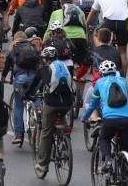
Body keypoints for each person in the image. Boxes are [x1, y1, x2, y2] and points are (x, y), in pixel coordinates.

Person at [24, 47, 74, 176]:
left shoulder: (43, 69)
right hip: (68, 103)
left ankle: (43, 164)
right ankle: (64, 144)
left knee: (46, 131)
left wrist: (26, 95)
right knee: (62, 121)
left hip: (52, 103)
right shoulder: (64, 67)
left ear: (45, 59)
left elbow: (33, 85)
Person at [81, 60, 128, 174]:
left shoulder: (99, 83)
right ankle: (127, 173)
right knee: (126, 147)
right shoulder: (123, 81)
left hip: (110, 119)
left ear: (101, 73)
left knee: (104, 138)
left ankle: (108, 161)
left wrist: (85, 117)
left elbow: (93, 104)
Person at [0, 31, 40, 144]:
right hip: (34, 79)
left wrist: (3, 79)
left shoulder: (13, 49)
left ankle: (18, 135)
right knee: (37, 99)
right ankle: (39, 124)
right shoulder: (33, 48)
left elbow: (7, 66)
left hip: (20, 81)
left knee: (18, 106)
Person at [86, 0, 128, 76]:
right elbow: (127, 10)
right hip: (123, 23)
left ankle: (100, 49)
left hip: (109, 21)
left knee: (96, 32)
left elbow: (92, 15)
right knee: (123, 52)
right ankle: (123, 78)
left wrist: (86, 25)